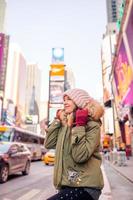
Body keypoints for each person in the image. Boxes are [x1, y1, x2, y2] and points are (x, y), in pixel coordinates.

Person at [45, 88, 104, 200]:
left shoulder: (92, 125)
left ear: (79, 102)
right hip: (68, 185)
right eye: (64, 100)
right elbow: (49, 143)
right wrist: (57, 120)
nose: (65, 103)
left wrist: (79, 125)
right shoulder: (66, 123)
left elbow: (80, 156)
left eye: (69, 99)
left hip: (86, 187)